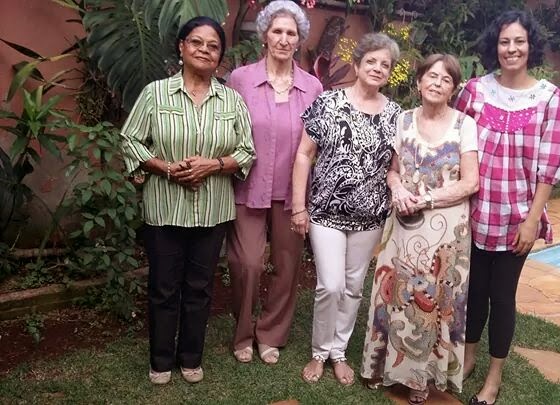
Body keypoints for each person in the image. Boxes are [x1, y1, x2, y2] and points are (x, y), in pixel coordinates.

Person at [119, 16, 255, 385]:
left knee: (200, 287)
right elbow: (130, 139)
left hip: (212, 210)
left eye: (213, 46)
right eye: (196, 42)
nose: (204, 50)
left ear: (220, 56)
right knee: (163, 287)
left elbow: (247, 151)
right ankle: (161, 361)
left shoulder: (231, 100)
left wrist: (213, 165)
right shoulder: (155, 94)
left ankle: (191, 358)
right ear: (181, 47)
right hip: (164, 207)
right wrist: (164, 167)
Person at [455, 10, 560, 405]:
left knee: (502, 297)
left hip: (517, 217)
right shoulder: (475, 91)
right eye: (505, 41)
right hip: (473, 212)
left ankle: (494, 377)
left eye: (519, 41)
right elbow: (455, 143)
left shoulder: (550, 99)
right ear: (496, 46)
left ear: (530, 46)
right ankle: (468, 358)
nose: (512, 48)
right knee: (473, 291)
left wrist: (532, 220)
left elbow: (549, 168)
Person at [360, 54, 480, 405]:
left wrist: (426, 199)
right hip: (404, 223)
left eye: (446, 79)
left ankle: (421, 378)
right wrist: (397, 188)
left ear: (453, 89)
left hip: (446, 230)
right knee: (395, 293)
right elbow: (393, 170)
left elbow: (470, 182)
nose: (437, 83)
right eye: (431, 76)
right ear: (418, 82)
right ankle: (382, 366)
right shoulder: (403, 120)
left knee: (433, 301)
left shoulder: (465, 125)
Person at [290, 32, 403, 386]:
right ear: (356, 65)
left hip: (370, 217)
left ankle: (338, 352)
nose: (378, 68)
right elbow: (304, 154)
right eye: (371, 61)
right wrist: (298, 206)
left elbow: (395, 168)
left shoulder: (396, 115)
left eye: (385, 65)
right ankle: (319, 351)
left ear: (390, 73)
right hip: (325, 212)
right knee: (330, 285)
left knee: (353, 287)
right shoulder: (328, 102)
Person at [226, 0, 322, 366]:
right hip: (247, 186)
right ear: (265, 35)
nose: (283, 39)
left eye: (291, 33)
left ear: (299, 40)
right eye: (277, 31)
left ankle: (270, 333)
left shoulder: (312, 87)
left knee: (287, 266)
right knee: (247, 263)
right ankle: (242, 332)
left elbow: (315, 144)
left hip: (292, 193)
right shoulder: (241, 80)